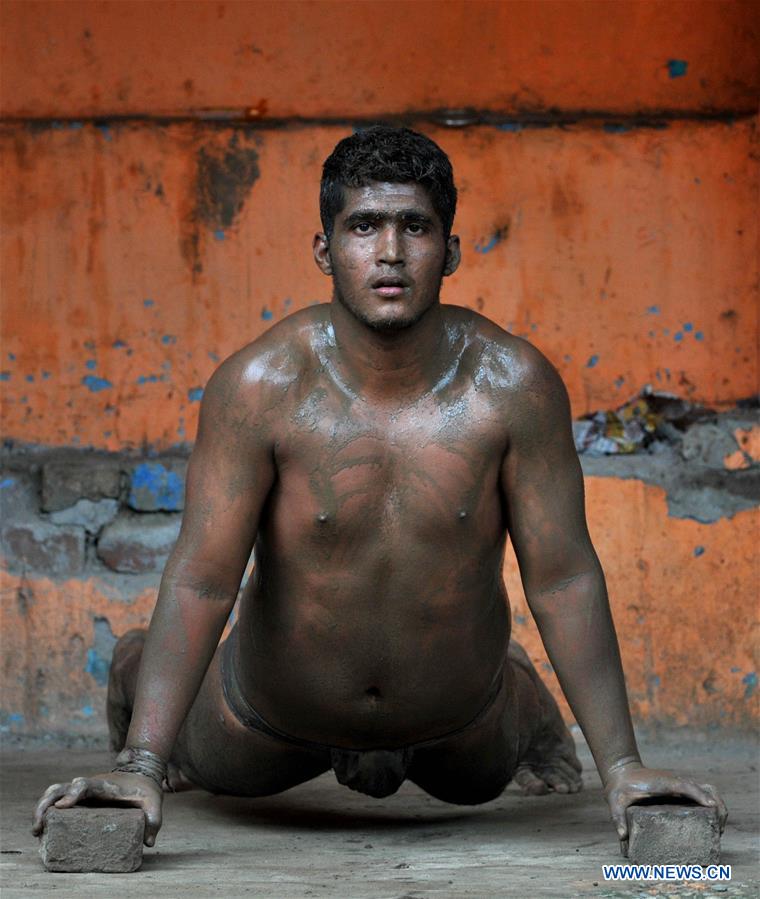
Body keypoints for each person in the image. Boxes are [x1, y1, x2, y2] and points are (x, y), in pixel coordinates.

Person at [33, 126, 726, 853]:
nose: (390, 252)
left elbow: (563, 577)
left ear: (450, 251)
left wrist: (623, 766)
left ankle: (520, 691)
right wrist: (142, 761)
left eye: (415, 227)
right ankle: (134, 664)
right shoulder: (259, 386)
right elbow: (204, 578)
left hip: (462, 721)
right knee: (197, 755)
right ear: (324, 250)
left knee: (487, 770)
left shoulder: (513, 385)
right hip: (267, 715)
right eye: (364, 225)